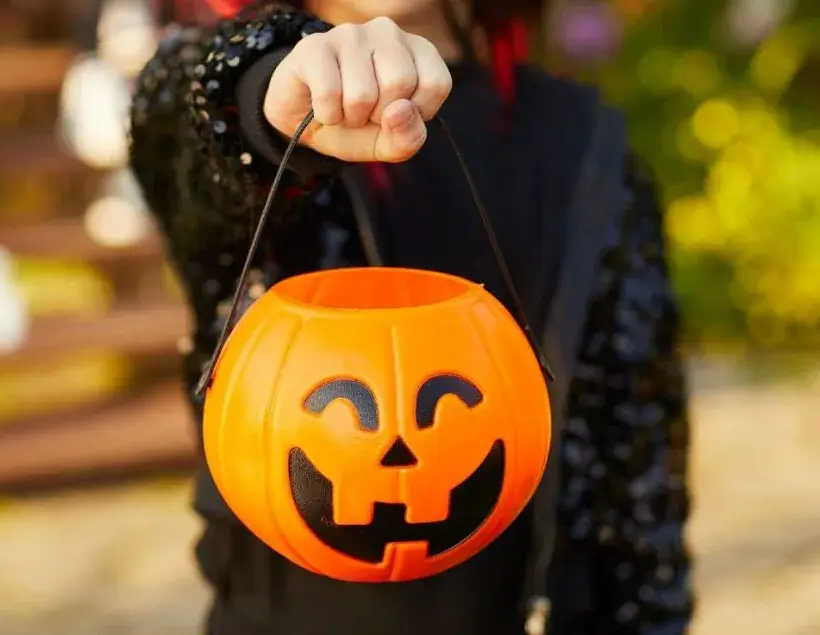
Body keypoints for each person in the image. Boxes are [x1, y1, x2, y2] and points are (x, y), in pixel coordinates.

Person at [128, 1, 694, 634]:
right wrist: (269, 91)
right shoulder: (221, 89)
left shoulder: (588, 151)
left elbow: (637, 497)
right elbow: (191, 113)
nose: (400, 455)